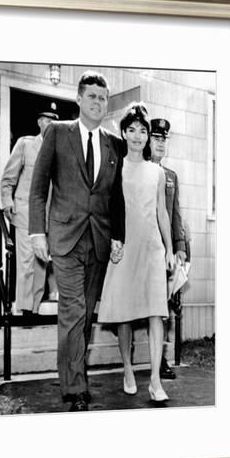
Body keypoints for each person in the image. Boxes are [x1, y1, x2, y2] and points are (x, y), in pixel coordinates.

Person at [29, 71, 125, 412]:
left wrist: (117, 236)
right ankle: (74, 387)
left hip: (98, 241)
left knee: (84, 317)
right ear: (79, 99)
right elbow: (39, 187)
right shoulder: (57, 133)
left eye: (103, 98)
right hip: (64, 237)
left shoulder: (114, 144)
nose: (98, 103)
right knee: (73, 311)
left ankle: (74, 373)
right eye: (92, 96)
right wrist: (37, 232)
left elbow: (116, 197)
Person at [98, 102, 174, 402]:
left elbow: (162, 212)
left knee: (157, 312)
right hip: (125, 249)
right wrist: (113, 241)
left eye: (143, 131)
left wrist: (169, 249)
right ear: (124, 133)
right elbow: (107, 209)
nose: (138, 136)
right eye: (132, 130)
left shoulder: (156, 171)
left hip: (153, 248)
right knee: (125, 315)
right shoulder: (115, 167)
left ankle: (155, 380)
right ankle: (128, 369)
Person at [0, 108, 59, 315]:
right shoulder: (25, 144)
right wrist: (7, 201)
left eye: (55, 121)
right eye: (47, 121)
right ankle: (24, 309)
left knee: (41, 264)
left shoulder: (57, 150)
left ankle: (33, 309)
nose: (51, 125)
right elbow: (8, 178)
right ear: (39, 122)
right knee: (25, 263)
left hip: (45, 217)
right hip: (25, 212)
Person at [150, 118, 186, 380]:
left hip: (164, 254)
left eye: (164, 139)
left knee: (164, 308)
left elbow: (175, 215)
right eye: (156, 138)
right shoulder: (135, 169)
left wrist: (180, 248)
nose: (160, 143)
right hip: (139, 251)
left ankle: (162, 360)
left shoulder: (171, 176)